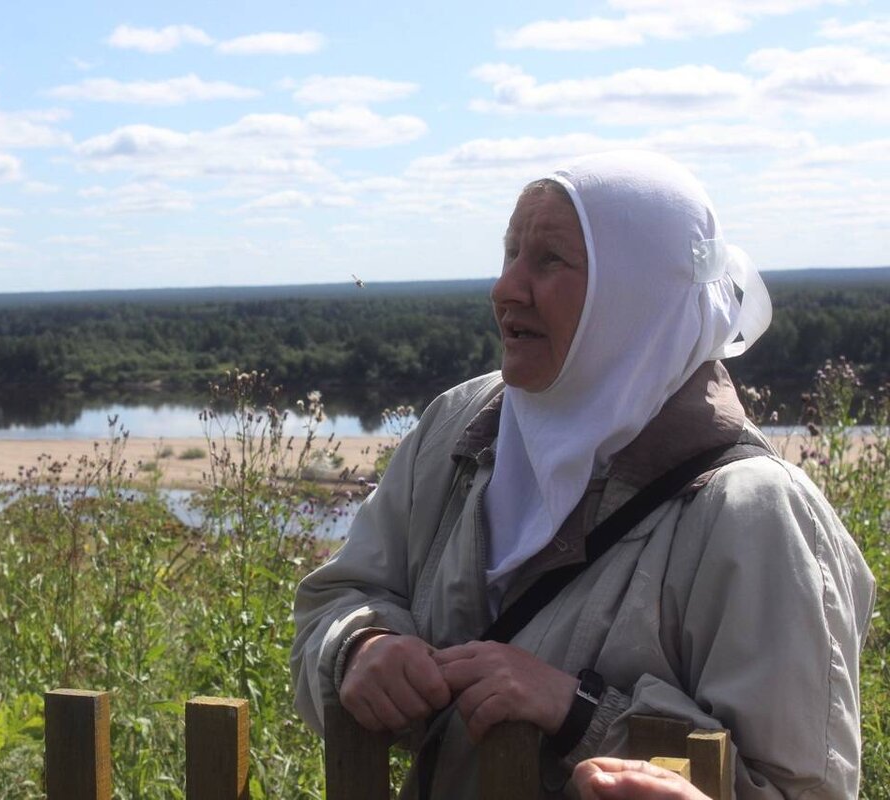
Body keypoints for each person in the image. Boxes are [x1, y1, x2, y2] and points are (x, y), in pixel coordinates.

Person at [291, 151, 875, 798]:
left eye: (549, 261)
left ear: (638, 293)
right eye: (510, 253)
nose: (506, 288)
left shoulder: (757, 515)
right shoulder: (459, 428)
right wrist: (360, 646)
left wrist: (578, 714)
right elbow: (337, 598)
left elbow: (800, 788)